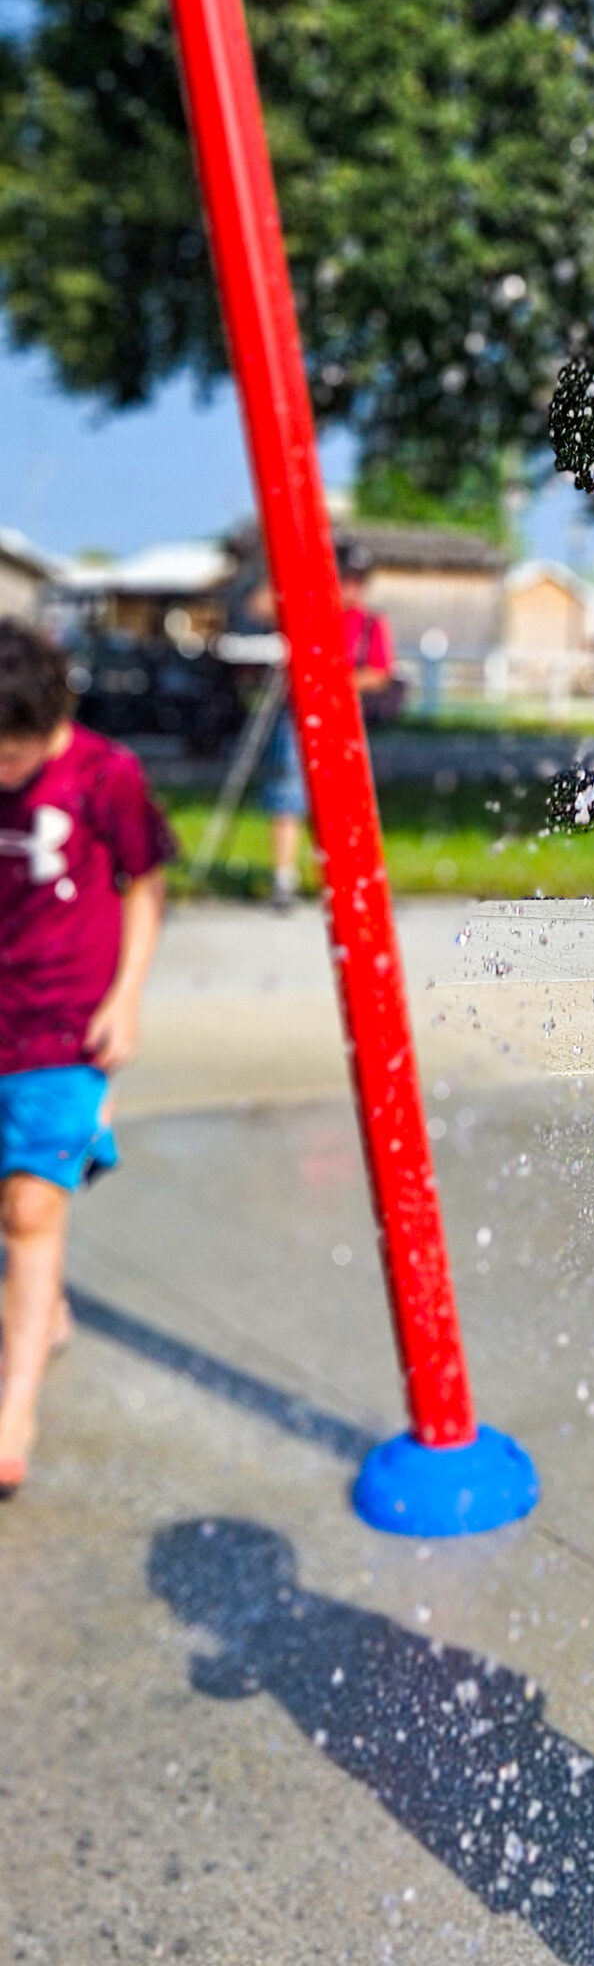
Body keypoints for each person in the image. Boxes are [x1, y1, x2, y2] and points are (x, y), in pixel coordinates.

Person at [0, 619, 174, 1496]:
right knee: (18, 1203)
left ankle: (13, 1409)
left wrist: (127, 995)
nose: (2, 773)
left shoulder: (106, 777)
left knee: (29, 1210)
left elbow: (145, 881)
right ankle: (48, 1301)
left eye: (15, 754)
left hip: (64, 1024)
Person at [261, 542, 396, 908]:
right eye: (344, 579)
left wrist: (335, 682)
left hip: (342, 718)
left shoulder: (370, 623)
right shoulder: (309, 614)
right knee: (289, 794)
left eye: (357, 581)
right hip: (298, 716)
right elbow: (259, 607)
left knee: (342, 803)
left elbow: (380, 673)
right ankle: (283, 878)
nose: (350, 588)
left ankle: (340, 880)